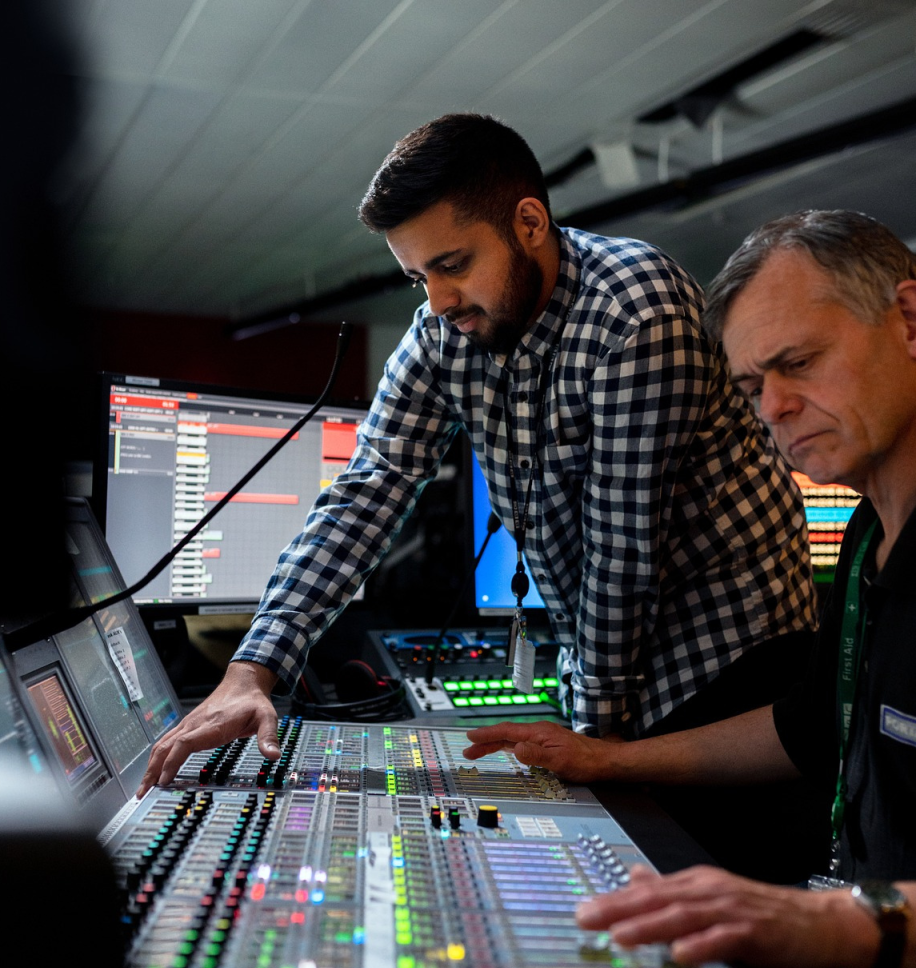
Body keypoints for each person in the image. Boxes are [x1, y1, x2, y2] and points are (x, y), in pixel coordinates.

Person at [138, 113, 817, 802]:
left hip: (736, 665)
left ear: (529, 223)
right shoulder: (444, 333)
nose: (437, 301)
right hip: (618, 663)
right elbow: (366, 491)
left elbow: (622, 556)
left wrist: (595, 748)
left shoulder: (635, 313)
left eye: (453, 265)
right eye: (417, 277)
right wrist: (252, 670)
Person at [464, 210, 916, 968]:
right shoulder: (866, 534)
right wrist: (609, 759)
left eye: (798, 362)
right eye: (750, 386)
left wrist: (831, 922)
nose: (773, 407)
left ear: (909, 319)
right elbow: (807, 726)